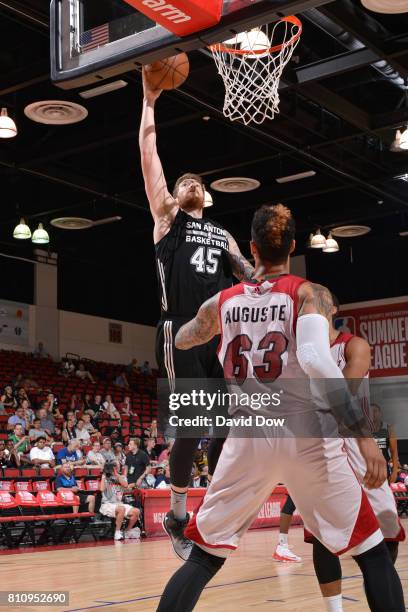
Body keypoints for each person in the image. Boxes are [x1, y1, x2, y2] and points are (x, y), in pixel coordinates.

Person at [156, 204, 405, 612]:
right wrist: (363, 437)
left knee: (203, 557)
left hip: (248, 438)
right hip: (308, 437)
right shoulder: (310, 294)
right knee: (372, 552)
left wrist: (214, 307)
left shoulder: (224, 301)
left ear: (251, 248)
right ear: (293, 245)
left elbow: (185, 337)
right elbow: (313, 358)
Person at [139, 69, 255, 560]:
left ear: (207, 197)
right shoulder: (167, 218)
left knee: (228, 425)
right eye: (182, 180)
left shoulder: (223, 234)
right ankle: (178, 514)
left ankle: (208, 510)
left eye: (196, 181)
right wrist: (149, 102)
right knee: (190, 426)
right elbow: (149, 157)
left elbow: (250, 275)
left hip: (219, 335)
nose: (188, 182)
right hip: (179, 332)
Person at [100, 461, 140, 541]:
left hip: (118, 503)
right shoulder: (105, 477)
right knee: (121, 509)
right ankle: (117, 532)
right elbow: (101, 489)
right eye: (114, 467)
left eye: (117, 466)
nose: (116, 468)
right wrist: (104, 476)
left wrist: (116, 475)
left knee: (136, 511)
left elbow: (125, 485)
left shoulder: (121, 477)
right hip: (107, 504)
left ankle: (127, 531)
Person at [371, 403, 400, 482]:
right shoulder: (364, 429)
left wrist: (394, 472)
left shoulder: (388, 428)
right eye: (370, 411)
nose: (372, 413)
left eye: (375, 411)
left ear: (380, 413)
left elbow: (394, 451)